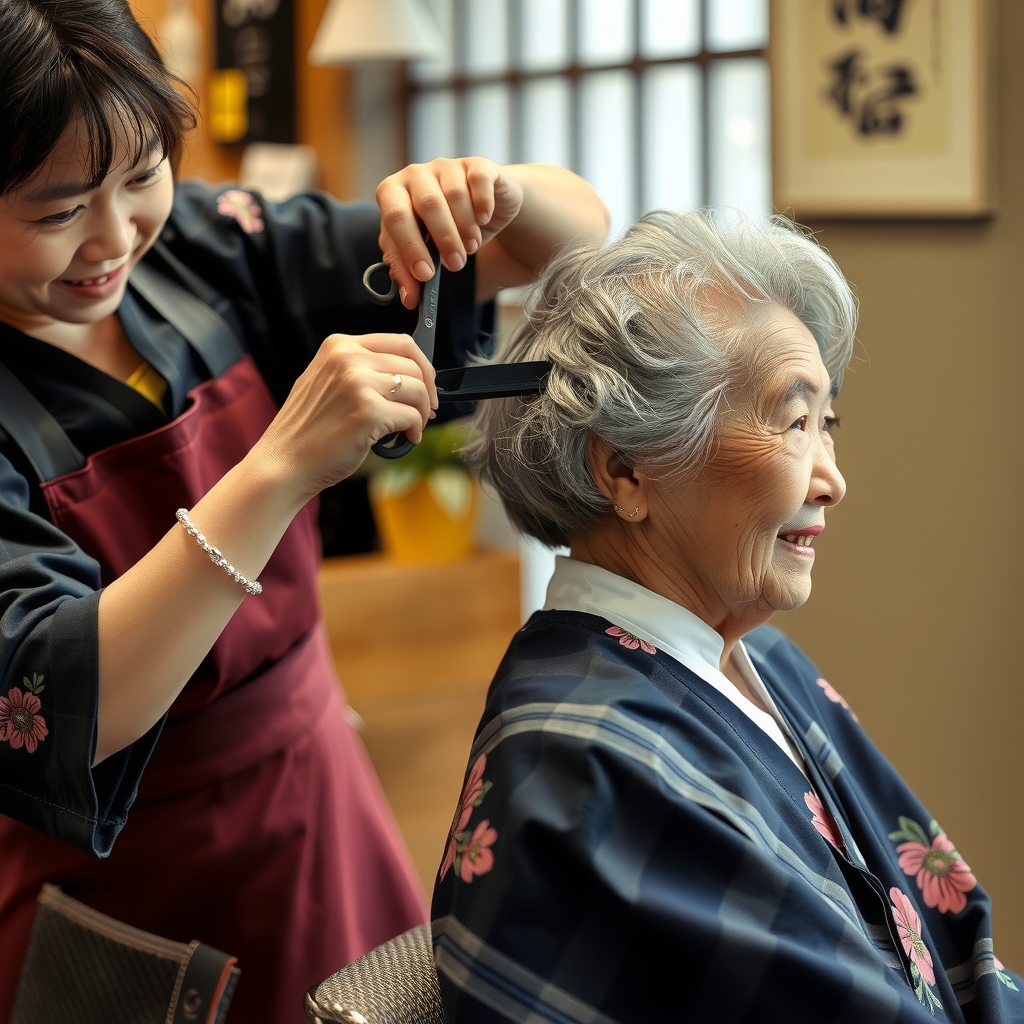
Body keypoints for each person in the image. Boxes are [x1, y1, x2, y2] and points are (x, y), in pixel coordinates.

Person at [0, 1, 609, 1020]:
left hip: (320, 814)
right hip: (122, 900)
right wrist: (275, 468)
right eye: (60, 211)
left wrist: (494, 192)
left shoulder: (206, 248)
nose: (113, 240)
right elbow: (70, 700)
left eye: (142, 175)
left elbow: (561, 237)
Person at [431, 209, 1024, 1023]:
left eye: (828, 425)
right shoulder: (583, 761)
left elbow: (952, 931)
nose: (830, 479)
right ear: (627, 469)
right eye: (791, 422)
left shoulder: (765, 660)